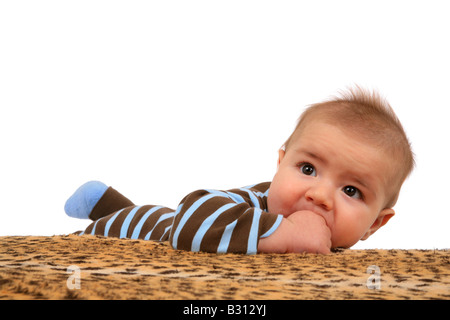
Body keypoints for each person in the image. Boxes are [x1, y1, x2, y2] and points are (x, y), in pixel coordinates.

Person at [64, 86, 414, 254]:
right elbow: (189, 217)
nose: (319, 195)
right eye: (307, 168)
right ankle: (106, 207)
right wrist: (285, 235)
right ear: (280, 165)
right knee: (145, 220)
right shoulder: (258, 201)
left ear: (375, 223)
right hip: (139, 227)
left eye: (351, 191)